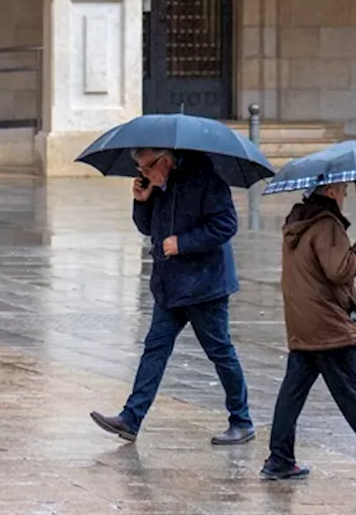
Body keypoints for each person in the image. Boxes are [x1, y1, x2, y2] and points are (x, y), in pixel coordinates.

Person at [90, 148, 254, 445]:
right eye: (139, 169)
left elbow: (226, 225)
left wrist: (184, 243)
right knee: (155, 348)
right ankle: (131, 418)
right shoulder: (158, 184)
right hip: (169, 284)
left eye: (146, 168)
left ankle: (242, 420)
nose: (143, 174)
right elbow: (147, 227)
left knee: (219, 351)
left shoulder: (206, 178)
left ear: (164, 160)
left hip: (205, 285)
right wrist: (141, 201)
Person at [261, 182, 356, 481]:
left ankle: (279, 458)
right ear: (330, 192)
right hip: (329, 326)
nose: (343, 196)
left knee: (292, 393)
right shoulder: (326, 225)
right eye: (341, 190)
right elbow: (339, 270)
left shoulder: (298, 223)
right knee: (351, 392)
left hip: (304, 322)